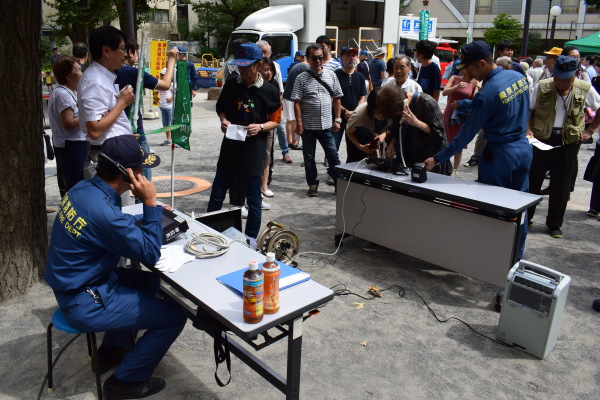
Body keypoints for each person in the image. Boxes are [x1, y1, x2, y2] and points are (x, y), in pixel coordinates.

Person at [44, 134, 187, 399]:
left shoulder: (82, 189)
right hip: (85, 299)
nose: (145, 173)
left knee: (147, 282)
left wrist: (142, 221)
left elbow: (107, 226)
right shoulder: (105, 214)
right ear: (129, 173)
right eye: (142, 168)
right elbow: (150, 253)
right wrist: (151, 205)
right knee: (175, 316)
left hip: (76, 283)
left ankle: (113, 349)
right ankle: (125, 382)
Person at [423, 40, 532, 259]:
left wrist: (437, 158)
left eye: (471, 69)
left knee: (495, 211)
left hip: (499, 156)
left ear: (482, 63)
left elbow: (465, 136)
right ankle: (516, 258)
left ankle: (491, 260)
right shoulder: (518, 78)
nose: (470, 75)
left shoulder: (486, 93)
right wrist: (467, 105)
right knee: (520, 210)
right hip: (523, 150)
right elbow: (504, 107)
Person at [207, 43, 281, 246]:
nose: (242, 71)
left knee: (253, 199)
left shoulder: (269, 91)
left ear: (258, 65)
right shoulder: (232, 84)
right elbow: (221, 107)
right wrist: (223, 120)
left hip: (253, 148)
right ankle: (208, 230)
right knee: (218, 192)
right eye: (239, 66)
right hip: (230, 145)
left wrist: (261, 126)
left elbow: (276, 119)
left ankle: (249, 240)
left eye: (246, 67)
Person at [527, 55, 600, 238]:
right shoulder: (543, 86)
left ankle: (554, 224)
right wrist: (528, 131)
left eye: (566, 79)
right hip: (542, 138)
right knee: (533, 180)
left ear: (575, 75)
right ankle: (526, 218)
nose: (561, 83)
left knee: (561, 185)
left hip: (568, 141)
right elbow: (529, 110)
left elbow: (599, 106)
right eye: (558, 78)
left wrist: (590, 131)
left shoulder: (585, 88)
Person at [115, 36, 178, 181]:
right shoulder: (131, 72)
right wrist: (172, 60)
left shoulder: (104, 73)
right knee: (143, 173)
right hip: (134, 132)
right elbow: (165, 84)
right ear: (129, 53)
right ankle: (144, 203)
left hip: (114, 134)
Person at [78, 26, 135, 183]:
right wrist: (122, 103)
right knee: (113, 205)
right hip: (108, 160)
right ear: (107, 50)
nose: (125, 55)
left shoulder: (103, 77)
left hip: (113, 154)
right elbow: (95, 130)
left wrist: (125, 135)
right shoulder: (95, 80)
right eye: (122, 49)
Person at [291, 43, 344, 196]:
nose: (318, 61)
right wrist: (299, 125)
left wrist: (338, 119)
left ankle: (338, 183)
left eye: (320, 58)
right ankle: (312, 184)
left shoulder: (331, 75)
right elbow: (297, 103)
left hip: (327, 125)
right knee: (309, 158)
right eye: (314, 58)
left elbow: (337, 99)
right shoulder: (301, 78)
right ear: (308, 59)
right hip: (308, 127)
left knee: (333, 156)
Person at [377, 85, 451, 175]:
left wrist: (417, 123)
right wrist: (392, 143)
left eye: (398, 112)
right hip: (409, 160)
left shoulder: (428, 103)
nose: (399, 114)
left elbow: (440, 135)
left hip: (430, 161)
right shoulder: (396, 110)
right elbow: (397, 128)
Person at [49, 56, 88, 196]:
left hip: (76, 144)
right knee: (75, 184)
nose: (81, 73)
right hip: (71, 145)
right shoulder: (62, 94)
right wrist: (89, 117)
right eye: (78, 70)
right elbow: (68, 123)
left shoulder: (72, 92)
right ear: (67, 76)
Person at [256, 40, 289, 169]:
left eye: (266, 52)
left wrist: (278, 107)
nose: (264, 55)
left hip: (273, 108)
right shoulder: (254, 67)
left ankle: (284, 152)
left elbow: (279, 88)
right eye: (262, 52)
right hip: (259, 113)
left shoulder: (275, 66)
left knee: (279, 129)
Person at [442, 65, 479, 176]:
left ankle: (455, 171)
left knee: (459, 143)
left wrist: (461, 104)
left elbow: (475, 101)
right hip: (449, 114)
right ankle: (444, 166)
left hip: (461, 116)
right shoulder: (454, 78)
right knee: (445, 141)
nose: (460, 69)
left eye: (463, 67)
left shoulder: (474, 82)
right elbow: (444, 92)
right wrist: (456, 87)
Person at [345, 88, 394, 163]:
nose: (381, 115)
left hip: (375, 141)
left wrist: (383, 135)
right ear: (371, 109)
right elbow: (348, 132)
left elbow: (393, 128)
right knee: (355, 163)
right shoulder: (359, 115)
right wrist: (361, 147)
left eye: (384, 111)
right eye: (377, 112)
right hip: (358, 141)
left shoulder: (391, 111)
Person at [258, 57, 279, 198]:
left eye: (271, 70)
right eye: (266, 69)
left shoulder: (274, 86)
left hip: (268, 126)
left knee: (266, 156)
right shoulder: (253, 86)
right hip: (253, 127)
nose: (269, 73)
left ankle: (264, 186)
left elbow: (278, 110)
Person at [282, 58, 309, 152]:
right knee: (294, 120)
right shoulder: (305, 67)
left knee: (289, 120)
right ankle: (294, 143)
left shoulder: (299, 65)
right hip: (293, 97)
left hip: (287, 95)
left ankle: (289, 141)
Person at [158, 68, 174, 146]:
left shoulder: (172, 84)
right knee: (165, 124)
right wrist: (155, 98)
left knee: (172, 124)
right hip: (162, 106)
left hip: (170, 107)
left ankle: (175, 139)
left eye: (163, 75)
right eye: (161, 75)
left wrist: (171, 98)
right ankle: (168, 139)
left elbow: (177, 94)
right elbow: (156, 91)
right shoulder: (160, 83)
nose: (162, 76)